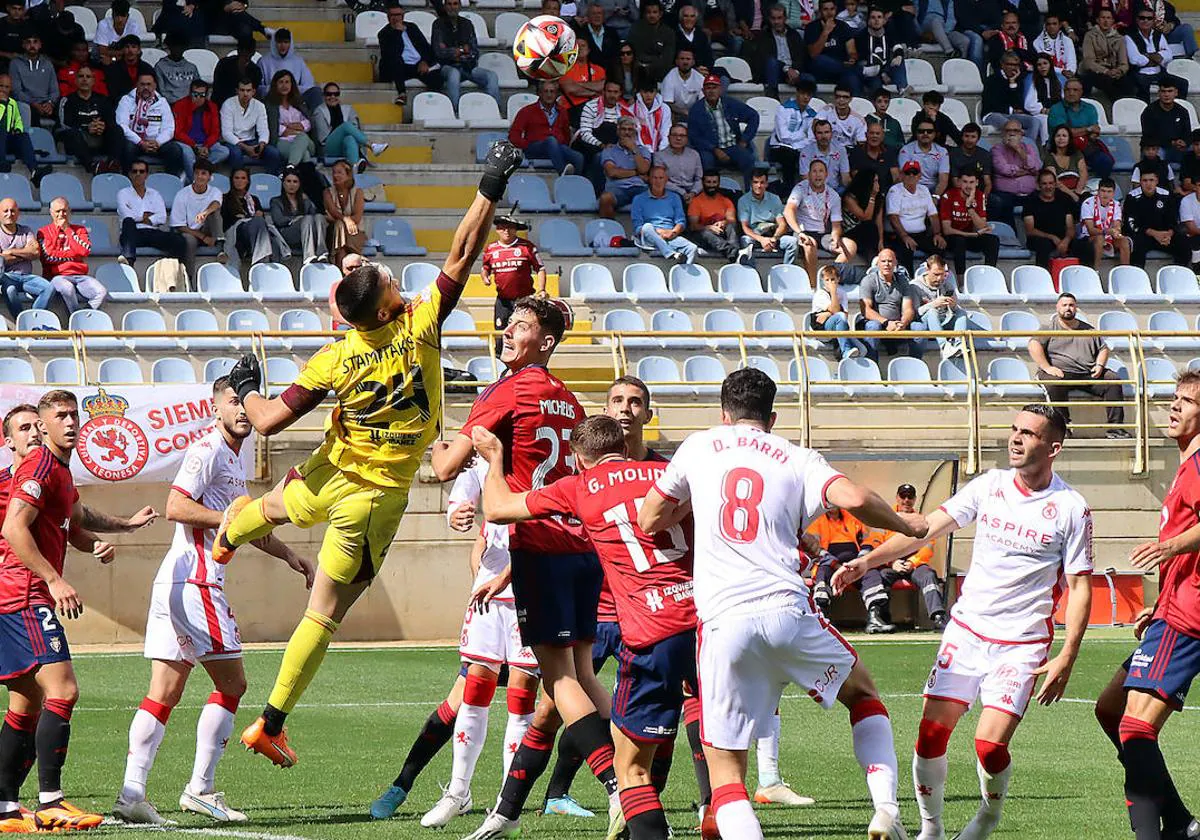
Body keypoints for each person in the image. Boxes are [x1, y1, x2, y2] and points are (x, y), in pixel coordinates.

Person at [208, 142, 524, 772]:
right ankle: (270, 724)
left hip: (328, 469)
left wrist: (244, 383)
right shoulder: (420, 323)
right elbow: (462, 251)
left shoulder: (337, 354)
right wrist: (489, 182)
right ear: (386, 306)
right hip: (373, 497)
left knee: (269, 506)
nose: (395, 277)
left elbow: (266, 419)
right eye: (387, 279)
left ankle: (225, 540)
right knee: (326, 610)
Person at [638, 366, 925, 840]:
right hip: (786, 610)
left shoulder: (698, 445)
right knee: (863, 695)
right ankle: (886, 809)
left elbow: (650, 518)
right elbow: (854, 497)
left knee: (727, 774)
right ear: (772, 417)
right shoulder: (797, 456)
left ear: (723, 412)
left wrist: (692, 502)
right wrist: (907, 526)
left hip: (722, 621)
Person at [834, 403, 1093, 840]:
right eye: (1014, 430)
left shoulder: (1071, 507)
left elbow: (1080, 586)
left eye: (1028, 434)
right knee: (930, 734)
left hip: (1022, 642)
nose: (1015, 438)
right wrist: (867, 561)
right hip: (968, 631)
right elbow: (926, 528)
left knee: (989, 746)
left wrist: (1068, 653)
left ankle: (987, 819)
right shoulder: (989, 486)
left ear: (1054, 448)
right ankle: (930, 830)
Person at [433, 299, 623, 840]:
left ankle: (622, 791)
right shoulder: (567, 397)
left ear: (545, 341)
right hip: (582, 548)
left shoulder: (507, 389)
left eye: (521, 325)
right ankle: (514, 810)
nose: (507, 330)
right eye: (508, 321)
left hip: (540, 547)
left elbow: (446, 466)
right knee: (582, 675)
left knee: (559, 678)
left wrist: (436, 441)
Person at [113, 379, 312, 826]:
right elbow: (176, 506)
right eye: (233, 401)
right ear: (216, 405)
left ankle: (132, 795)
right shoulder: (207, 450)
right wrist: (228, 519)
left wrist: (291, 556)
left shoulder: (232, 458)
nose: (243, 410)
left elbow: (245, 526)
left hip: (174, 583)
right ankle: (200, 789)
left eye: (247, 402)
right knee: (233, 685)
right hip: (196, 583)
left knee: (163, 693)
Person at [0, 393, 158, 832]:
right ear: (44, 427)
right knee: (63, 690)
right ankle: (51, 801)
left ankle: (6, 810)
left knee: (27, 701)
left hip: (22, 595)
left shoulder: (62, 472)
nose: (68, 422)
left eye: (74, 415)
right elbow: (13, 527)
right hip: (23, 594)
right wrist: (54, 579)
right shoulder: (38, 467)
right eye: (58, 417)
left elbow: (73, 522)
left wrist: (121, 527)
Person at [1097, 371, 1200, 840]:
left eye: (1188, 401)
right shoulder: (1186, 465)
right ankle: (1179, 821)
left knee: (1135, 730)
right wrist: (1156, 604)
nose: (1175, 407)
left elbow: (1186, 543)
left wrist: (1170, 546)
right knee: (1110, 708)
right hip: (1172, 610)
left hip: (1187, 617)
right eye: (1174, 398)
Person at [1028, 292, 1130, 438]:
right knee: (1053, 383)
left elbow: (1103, 348)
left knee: (1112, 380)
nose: (1068, 308)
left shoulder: (1088, 330)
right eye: (1064, 305)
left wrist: (1100, 365)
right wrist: (1047, 367)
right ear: (1057, 307)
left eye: (1071, 305)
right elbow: (1033, 344)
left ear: (1076, 308)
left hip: (1086, 372)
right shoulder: (1049, 327)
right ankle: (1062, 429)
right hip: (1060, 372)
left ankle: (1115, 429)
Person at [858, 483, 947, 632]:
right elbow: (876, 544)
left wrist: (913, 562)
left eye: (910, 497)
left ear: (915, 499)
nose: (906, 500)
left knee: (929, 575)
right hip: (892, 564)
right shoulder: (884, 518)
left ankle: (938, 617)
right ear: (897, 498)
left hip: (915, 564)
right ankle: (881, 619)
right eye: (903, 496)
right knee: (879, 577)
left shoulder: (921, 520)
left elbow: (928, 547)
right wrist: (891, 562)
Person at [481, 213, 547, 353]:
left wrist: (541, 289)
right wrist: (485, 276)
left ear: (516, 229)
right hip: (503, 301)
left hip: (524, 300)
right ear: (497, 230)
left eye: (510, 228)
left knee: (525, 332)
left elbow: (540, 268)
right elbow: (485, 267)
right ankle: (500, 364)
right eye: (503, 228)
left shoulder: (527, 247)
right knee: (501, 333)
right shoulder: (491, 249)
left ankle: (527, 360)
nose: (506, 231)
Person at [786, 159, 856, 279]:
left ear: (826, 174)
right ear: (808, 174)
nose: (818, 175)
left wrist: (835, 237)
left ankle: (830, 276)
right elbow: (788, 211)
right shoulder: (800, 188)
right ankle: (812, 286)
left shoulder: (833, 195)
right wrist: (799, 232)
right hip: (802, 232)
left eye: (821, 171)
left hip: (822, 234)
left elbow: (836, 225)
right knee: (810, 244)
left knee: (850, 246)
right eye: (814, 171)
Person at [687, 74, 758, 188]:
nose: (711, 91)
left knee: (748, 159)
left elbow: (753, 116)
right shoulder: (696, 110)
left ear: (720, 89)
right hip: (710, 149)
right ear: (703, 90)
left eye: (714, 87)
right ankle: (709, 193)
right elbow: (694, 136)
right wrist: (714, 149)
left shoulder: (731, 103)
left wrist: (745, 140)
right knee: (706, 161)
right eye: (708, 88)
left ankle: (749, 194)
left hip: (733, 145)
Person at [37, 200, 106, 313]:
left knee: (101, 292)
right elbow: (48, 257)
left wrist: (67, 230)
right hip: (57, 276)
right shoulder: (43, 232)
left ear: (69, 211)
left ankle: (82, 315)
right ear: (51, 212)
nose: (61, 214)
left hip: (80, 275)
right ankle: (74, 317)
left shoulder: (80, 230)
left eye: (64, 211)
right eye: (57, 211)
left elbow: (84, 251)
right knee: (68, 288)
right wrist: (74, 255)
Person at [911, 253, 981, 360]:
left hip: (943, 320)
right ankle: (945, 347)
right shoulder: (915, 286)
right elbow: (915, 313)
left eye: (942, 274)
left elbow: (955, 310)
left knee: (961, 313)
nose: (939, 278)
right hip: (924, 322)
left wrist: (953, 305)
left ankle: (959, 345)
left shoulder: (947, 284)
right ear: (927, 270)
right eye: (935, 274)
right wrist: (933, 304)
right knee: (932, 312)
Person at [117, 160, 187, 267]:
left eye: (141, 171)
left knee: (179, 240)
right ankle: (129, 262)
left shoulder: (155, 194)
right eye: (135, 171)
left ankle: (173, 270)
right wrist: (143, 217)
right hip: (133, 234)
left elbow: (162, 217)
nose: (138, 174)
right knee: (128, 222)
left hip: (152, 232)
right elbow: (127, 215)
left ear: (146, 175)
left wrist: (146, 219)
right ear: (130, 174)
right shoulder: (122, 193)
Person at [56, 66, 123, 175]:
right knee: (72, 134)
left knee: (117, 130)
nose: (84, 79)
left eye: (88, 77)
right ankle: (92, 166)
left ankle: (113, 163)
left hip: (100, 138)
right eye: (81, 76)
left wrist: (102, 127)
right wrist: (86, 128)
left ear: (93, 81)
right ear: (75, 80)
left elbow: (111, 121)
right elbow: (63, 126)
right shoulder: (67, 100)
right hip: (80, 141)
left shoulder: (103, 100)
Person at [432, 0, 499, 109]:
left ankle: (495, 110)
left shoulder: (467, 24)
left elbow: (474, 50)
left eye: (455, 4)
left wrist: (455, 51)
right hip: (447, 67)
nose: (452, 7)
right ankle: (455, 111)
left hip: (467, 66)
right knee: (454, 74)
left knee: (492, 76)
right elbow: (439, 52)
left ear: (460, 6)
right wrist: (462, 50)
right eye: (449, 4)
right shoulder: (438, 24)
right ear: (444, 6)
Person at [859, 248, 923, 361]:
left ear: (895, 263)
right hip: (879, 324)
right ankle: (872, 367)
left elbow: (908, 309)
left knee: (919, 328)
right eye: (883, 261)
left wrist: (903, 323)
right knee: (872, 326)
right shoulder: (868, 280)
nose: (887, 264)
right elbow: (866, 310)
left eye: (890, 261)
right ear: (878, 263)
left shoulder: (902, 281)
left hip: (899, 324)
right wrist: (886, 322)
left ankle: (916, 364)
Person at [116, 72, 184, 176]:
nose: (145, 87)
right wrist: (140, 142)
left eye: (149, 84)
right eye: (142, 84)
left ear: (155, 86)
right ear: (136, 85)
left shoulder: (162, 102)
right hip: (135, 142)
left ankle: (171, 181)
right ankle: (127, 180)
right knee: (127, 148)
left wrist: (158, 142)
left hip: (156, 143)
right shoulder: (126, 100)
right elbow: (122, 126)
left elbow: (169, 128)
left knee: (175, 150)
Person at [510, 80, 583, 177]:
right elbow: (513, 135)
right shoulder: (527, 111)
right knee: (551, 140)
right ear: (539, 93)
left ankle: (575, 184)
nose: (549, 95)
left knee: (579, 157)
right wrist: (526, 145)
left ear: (556, 94)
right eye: (546, 91)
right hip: (535, 148)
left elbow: (566, 134)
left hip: (556, 148)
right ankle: (563, 175)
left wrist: (561, 144)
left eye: (552, 91)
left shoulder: (562, 111)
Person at [170, 159, 226, 287]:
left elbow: (216, 203)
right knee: (189, 240)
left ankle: (221, 248)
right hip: (189, 231)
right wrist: (203, 237)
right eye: (197, 173)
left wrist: (205, 212)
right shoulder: (182, 194)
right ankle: (188, 278)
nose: (200, 176)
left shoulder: (215, 191)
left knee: (214, 212)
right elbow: (179, 226)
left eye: (204, 173)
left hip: (208, 228)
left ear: (209, 177)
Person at [222, 167, 288, 271]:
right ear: (232, 180)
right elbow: (226, 222)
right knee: (258, 221)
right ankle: (261, 262)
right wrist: (249, 218)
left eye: (243, 178)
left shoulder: (254, 199)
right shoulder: (225, 198)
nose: (240, 181)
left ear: (247, 181)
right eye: (237, 178)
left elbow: (261, 221)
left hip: (255, 234)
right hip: (237, 235)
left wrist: (256, 216)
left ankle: (274, 273)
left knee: (273, 240)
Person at [631, 164, 698, 264]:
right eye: (655, 178)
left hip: (670, 235)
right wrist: (659, 232)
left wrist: (673, 233)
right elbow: (638, 227)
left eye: (661, 178)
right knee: (647, 227)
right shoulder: (639, 199)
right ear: (649, 179)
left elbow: (681, 221)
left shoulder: (674, 197)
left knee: (692, 248)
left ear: (666, 180)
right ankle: (671, 254)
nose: (658, 181)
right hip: (650, 236)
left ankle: (684, 275)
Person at [886, 161, 945, 274]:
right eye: (908, 173)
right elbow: (893, 217)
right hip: (900, 235)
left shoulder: (924, 190)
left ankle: (936, 278)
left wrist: (937, 234)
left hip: (921, 234)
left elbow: (933, 215)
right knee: (905, 251)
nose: (911, 176)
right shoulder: (895, 191)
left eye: (915, 172)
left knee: (940, 247)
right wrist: (905, 236)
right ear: (902, 175)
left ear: (919, 176)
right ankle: (909, 283)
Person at [1046, 77, 1113, 177]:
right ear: (1064, 91)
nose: (1071, 93)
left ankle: (1100, 188)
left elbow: (1095, 131)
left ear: (1081, 92)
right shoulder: (1056, 109)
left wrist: (1090, 132)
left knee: (1105, 161)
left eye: (1075, 90)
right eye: (1068, 90)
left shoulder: (1090, 108)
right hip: (1062, 147)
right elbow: (1064, 133)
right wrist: (1087, 129)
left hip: (1086, 145)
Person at [377, 5, 441, 107]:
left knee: (436, 77)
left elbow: (426, 47)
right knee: (396, 61)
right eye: (392, 15)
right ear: (388, 17)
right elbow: (392, 53)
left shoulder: (412, 28)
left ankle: (431, 105)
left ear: (402, 16)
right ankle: (402, 93)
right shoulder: (384, 33)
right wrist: (397, 32)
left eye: (398, 15)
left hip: (417, 65)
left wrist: (424, 61)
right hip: (398, 67)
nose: (395, 18)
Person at [312, 84, 387, 172]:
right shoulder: (319, 111)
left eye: (336, 94)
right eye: (329, 94)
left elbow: (355, 128)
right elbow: (323, 137)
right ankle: (372, 146)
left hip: (345, 145)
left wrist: (345, 133)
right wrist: (342, 131)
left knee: (350, 138)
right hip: (328, 147)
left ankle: (354, 166)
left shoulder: (348, 109)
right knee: (346, 126)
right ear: (324, 96)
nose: (332, 97)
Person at [938, 169, 999, 276]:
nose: (968, 186)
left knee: (993, 241)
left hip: (971, 236)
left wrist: (969, 208)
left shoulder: (980, 196)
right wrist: (973, 234)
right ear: (959, 182)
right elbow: (947, 230)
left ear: (977, 183)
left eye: (971, 182)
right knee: (959, 241)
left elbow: (981, 226)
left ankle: (989, 276)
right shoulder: (948, 196)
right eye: (965, 182)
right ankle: (961, 283)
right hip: (952, 238)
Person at [0, 199, 52, 318]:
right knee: (10, 291)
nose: (9, 214)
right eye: (5, 211)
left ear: (18, 213)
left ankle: (33, 318)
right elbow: (1, 260)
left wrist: (11, 252)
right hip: (7, 277)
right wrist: (25, 254)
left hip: (27, 277)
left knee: (49, 287)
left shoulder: (26, 230)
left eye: (13, 211)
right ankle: (22, 322)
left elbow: (35, 252)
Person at [1124, 169, 1187, 267]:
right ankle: (1138, 278)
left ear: (1157, 181)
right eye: (1145, 180)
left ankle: (1179, 274)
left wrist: (1169, 233)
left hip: (1164, 236)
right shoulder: (1132, 197)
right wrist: (1153, 233)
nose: (1148, 183)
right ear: (1140, 182)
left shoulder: (1166, 195)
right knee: (1136, 245)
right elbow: (1131, 223)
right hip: (1144, 235)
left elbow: (1173, 219)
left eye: (1151, 180)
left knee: (1183, 243)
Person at [688, 170, 754, 263]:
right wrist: (709, 227)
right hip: (703, 236)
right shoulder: (696, 202)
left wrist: (724, 222)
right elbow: (693, 226)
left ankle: (733, 255)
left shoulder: (725, 201)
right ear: (703, 183)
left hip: (721, 234)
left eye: (714, 182)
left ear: (718, 183)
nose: (711, 185)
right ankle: (735, 253)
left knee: (731, 226)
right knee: (705, 233)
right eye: (708, 182)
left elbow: (732, 220)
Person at [982, 51, 1045, 146]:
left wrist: (1012, 83)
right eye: (1010, 64)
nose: (1014, 68)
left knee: (1034, 122)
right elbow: (992, 104)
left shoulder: (1018, 80)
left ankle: (1028, 149)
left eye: (1016, 65)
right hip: (992, 114)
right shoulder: (992, 79)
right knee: (1012, 125)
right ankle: (1020, 149)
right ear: (1002, 65)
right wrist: (1012, 110)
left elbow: (1018, 103)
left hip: (1010, 114)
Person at [220, 78, 281, 175]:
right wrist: (246, 148)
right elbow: (226, 134)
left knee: (274, 153)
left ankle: (270, 181)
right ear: (237, 91)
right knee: (236, 154)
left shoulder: (259, 106)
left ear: (253, 92)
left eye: (248, 90)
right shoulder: (228, 104)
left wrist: (261, 145)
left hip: (252, 140)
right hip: (233, 141)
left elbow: (264, 129)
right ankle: (239, 183)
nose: (245, 94)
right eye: (242, 90)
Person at [171, 79, 229, 180]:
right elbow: (178, 133)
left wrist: (206, 146)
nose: (198, 98)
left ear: (206, 95)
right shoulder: (180, 105)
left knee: (224, 151)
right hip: (187, 143)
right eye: (195, 94)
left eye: (202, 95)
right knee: (187, 153)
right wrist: (194, 146)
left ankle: (199, 168)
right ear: (190, 93)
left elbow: (215, 132)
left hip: (205, 143)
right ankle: (194, 180)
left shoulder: (212, 107)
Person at [809, 263, 867, 360]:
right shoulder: (820, 294)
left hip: (838, 325)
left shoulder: (843, 294)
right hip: (821, 328)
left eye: (832, 279)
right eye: (827, 280)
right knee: (839, 316)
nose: (830, 283)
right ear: (823, 281)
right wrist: (833, 293)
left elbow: (845, 315)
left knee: (863, 349)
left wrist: (827, 313)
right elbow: (836, 311)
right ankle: (845, 350)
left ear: (838, 279)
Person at [1023, 169, 1081, 268]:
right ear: (1039, 186)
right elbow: (1030, 230)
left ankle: (1088, 276)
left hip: (1063, 238)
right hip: (1040, 238)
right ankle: (1043, 278)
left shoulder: (1064, 199)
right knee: (1044, 245)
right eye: (1044, 184)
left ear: (1055, 184)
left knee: (1083, 246)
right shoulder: (1030, 201)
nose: (1048, 187)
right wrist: (1052, 237)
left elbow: (1070, 227)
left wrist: (1066, 240)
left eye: (1051, 183)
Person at [738, 169, 798, 265]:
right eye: (756, 182)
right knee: (745, 241)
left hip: (773, 235)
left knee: (792, 242)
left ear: (766, 184)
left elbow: (782, 224)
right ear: (751, 183)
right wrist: (761, 240)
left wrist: (774, 239)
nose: (759, 186)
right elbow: (745, 227)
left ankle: (787, 271)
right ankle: (752, 274)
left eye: (762, 182)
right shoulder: (743, 201)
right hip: (755, 236)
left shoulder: (774, 199)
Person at [1126, 7, 1188, 98]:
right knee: (1141, 86)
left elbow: (1169, 55)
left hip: (1159, 72)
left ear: (1153, 21)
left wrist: (1147, 55)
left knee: (1182, 83)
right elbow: (1135, 60)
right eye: (1142, 18)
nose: (1145, 21)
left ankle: (1176, 110)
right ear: (1137, 20)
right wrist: (1157, 58)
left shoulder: (1158, 35)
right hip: (1140, 74)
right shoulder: (1129, 36)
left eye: (1149, 18)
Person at [989, 119, 1040, 229]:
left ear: (1021, 134)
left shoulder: (1029, 148)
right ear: (1003, 133)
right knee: (1002, 204)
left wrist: (1018, 149)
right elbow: (1004, 169)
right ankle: (1011, 238)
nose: (1011, 134)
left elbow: (1036, 167)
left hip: (1029, 192)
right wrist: (1027, 171)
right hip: (1006, 193)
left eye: (1015, 131)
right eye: (1008, 131)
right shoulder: (997, 149)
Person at [575, 79, 624, 190]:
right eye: (609, 91)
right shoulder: (591, 106)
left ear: (620, 94)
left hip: (614, 148)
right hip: (591, 147)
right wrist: (602, 146)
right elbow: (585, 133)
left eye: (615, 92)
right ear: (603, 92)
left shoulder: (623, 109)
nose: (612, 95)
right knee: (599, 157)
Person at [269, 169, 326, 265]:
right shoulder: (276, 201)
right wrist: (296, 219)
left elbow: (314, 217)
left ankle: (322, 253)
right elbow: (278, 220)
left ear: (299, 184)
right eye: (288, 181)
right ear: (283, 183)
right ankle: (309, 256)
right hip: (286, 233)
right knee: (307, 219)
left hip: (306, 232)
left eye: (295, 182)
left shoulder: (305, 202)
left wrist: (308, 203)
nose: (292, 184)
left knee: (319, 217)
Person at [769, 78, 817, 188]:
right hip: (779, 147)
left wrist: (798, 143)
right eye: (803, 93)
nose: (805, 97)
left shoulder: (812, 114)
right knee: (790, 156)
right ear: (797, 93)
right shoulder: (783, 109)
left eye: (809, 95)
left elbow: (811, 138)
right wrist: (802, 135)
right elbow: (783, 137)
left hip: (801, 148)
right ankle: (788, 189)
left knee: (810, 155)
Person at [0, 75, 49, 185]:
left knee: (23, 135)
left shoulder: (12, 103)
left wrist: (17, 130)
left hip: (7, 140)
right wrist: (2, 104)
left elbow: (18, 120)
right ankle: (1, 164)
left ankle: (35, 172)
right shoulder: (4, 102)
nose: (3, 89)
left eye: (6, 87)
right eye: (1, 86)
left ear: (10, 89)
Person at [598, 117, 652, 217]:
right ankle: (611, 230)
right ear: (618, 132)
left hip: (639, 187)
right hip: (617, 188)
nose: (627, 132)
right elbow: (612, 172)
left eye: (630, 129)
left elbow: (644, 169)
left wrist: (633, 149)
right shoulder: (609, 150)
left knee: (655, 198)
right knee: (605, 198)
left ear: (635, 132)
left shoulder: (643, 150)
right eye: (623, 129)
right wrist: (636, 173)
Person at [803, 0, 861, 91]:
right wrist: (825, 32)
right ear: (820, 11)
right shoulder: (812, 27)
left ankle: (857, 103)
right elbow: (813, 54)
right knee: (820, 59)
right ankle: (859, 70)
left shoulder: (843, 26)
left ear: (836, 10)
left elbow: (852, 51)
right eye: (825, 9)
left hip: (839, 71)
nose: (829, 13)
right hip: (819, 70)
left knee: (851, 78)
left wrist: (852, 59)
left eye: (832, 9)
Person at [257, 30, 320, 110]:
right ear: (274, 43)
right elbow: (258, 88)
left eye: (286, 42)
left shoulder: (298, 61)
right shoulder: (263, 61)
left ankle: (315, 120)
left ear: (290, 43)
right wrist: (276, 88)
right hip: (272, 98)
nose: (283, 45)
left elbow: (309, 85)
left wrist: (291, 89)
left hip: (294, 98)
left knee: (316, 92)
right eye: (279, 42)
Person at [1080, 8, 1134, 103]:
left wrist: (1119, 71)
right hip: (1095, 71)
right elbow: (1088, 61)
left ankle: (1127, 108)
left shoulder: (1119, 38)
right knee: (1106, 82)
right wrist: (1105, 71)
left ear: (1113, 21)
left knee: (1128, 83)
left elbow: (1124, 63)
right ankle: (1116, 104)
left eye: (1109, 18)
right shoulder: (1090, 35)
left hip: (1113, 71)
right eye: (1103, 17)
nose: (1106, 21)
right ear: (1097, 20)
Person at [265, 70, 314, 168]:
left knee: (303, 137)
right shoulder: (269, 105)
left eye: (287, 82)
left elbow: (309, 122)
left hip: (305, 141)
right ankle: (293, 169)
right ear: (275, 85)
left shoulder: (299, 103)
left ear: (292, 85)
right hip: (282, 141)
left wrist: (294, 127)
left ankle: (290, 168)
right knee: (304, 155)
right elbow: (272, 126)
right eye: (281, 82)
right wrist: (292, 130)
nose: (284, 85)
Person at [755, 4, 805, 97]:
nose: (776, 22)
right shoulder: (764, 36)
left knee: (809, 79)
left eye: (779, 18)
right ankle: (773, 98)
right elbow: (765, 58)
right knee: (772, 63)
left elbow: (801, 57)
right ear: (769, 19)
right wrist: (786, 70)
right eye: (773, 18)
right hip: (775, 72)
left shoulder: (794, 35)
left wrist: (795, 73)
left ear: (785, 18)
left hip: (794, 72)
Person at [323, 159, 366, 267]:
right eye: (334, 173)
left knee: (340, 226)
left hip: (354, 232)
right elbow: (332, 211)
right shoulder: (327, 192)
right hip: (333, 234)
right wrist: (346, 219)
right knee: (339, 225)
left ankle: (340, 268)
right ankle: (342, 268)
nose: (335, 176)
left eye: (339, 173)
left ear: (348, 175)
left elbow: (357, 217)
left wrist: (344, 221)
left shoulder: (358, 192)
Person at [10, 34, 58, 129]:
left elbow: (55, 90)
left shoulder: (47, 64)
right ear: (23, 45)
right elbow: (16, 91)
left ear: (40, 45)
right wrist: (34, 104)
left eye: (35, 42)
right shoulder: (16, 63)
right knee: (28, 111)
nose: (32, 45)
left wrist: (50, 103)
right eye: (28, 42)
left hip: (46, 103)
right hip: (27, 104)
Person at [855, 6, 907, 94]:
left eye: (879, 17)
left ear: (884, 20)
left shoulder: (889, 32)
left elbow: (897, 46)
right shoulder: (862, 36)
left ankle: (903, 89)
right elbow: (864, 61)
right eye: (873, 17)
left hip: (886, 69)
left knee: (899, 59)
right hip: (870, 72)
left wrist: (898, 56)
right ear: (868, 21)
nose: (876, 20)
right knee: (876, 85)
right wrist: (882, 73)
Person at [1141, 80, 1191, 166]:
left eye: (1170, 91)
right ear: (1159, 93)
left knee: (1195, 150)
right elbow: (1149, 136)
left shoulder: (1182, 111)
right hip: (1157, 146)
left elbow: (1187, 133)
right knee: (1157, 153)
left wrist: (1184, 142)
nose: (1166, 95)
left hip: (1177, 147)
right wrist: (1171, 143)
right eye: (1163, 91)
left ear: (1176, 93)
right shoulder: (1149, 112)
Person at [898, 118, 949, 197]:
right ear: (916, 133)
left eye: (929, 131)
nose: (925, 134)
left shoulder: (942, 151)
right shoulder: (906, 150)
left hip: (934, 191)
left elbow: (943, 180)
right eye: (921, 131)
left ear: (935, 134)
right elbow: (905, 177)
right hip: (912, 190)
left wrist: (935, 197)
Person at [842, 168, 885, 264]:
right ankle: (873, 260)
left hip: (868, 233)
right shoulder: (849, 197)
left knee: (872, 229)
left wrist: (881, 240)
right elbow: (866, 217)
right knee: (869, 226)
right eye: (874, 181)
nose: (877, 185)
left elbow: (879, 221)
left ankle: (876, 259)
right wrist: (872, 196)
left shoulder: (880, 198)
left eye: (877, 181)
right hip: (851, 232)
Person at [653, 123, 703, 204]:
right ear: (668, 138)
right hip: (672, 191)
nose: (678, 138)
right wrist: (682, 193)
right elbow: (661, 181)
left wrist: (693, 193)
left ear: (687, 139)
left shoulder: (694, 154)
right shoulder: (659, 156)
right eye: (674, 135)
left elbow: (699, 178)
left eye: (682, 135)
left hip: (693, 191)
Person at [798, 119, 851, 192]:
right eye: (820, 133)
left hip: (836, 190)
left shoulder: (840, 150)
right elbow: (806, 179)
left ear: (831, 133)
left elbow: (845, 178)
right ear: (815, 134)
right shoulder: (806, 152)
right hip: (814, 190)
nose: (823, 136)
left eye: (826, 132)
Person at [1042, 124, 1089, 207]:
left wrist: (1077, 193)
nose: (1061, 138)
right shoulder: (1049, 157)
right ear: (1053, 139)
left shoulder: (1077, 154)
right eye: (1058, 136)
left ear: (1069, 139)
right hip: (1061, 191)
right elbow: (1054, 181)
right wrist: (1072, 195)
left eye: (1064, 136)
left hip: (1078, 190)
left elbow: (1084, 175)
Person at [212, 38, 263, 106]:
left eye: (248, 52)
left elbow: (253, 93)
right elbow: (217, 89)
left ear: (253, 53)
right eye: (243, 52)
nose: (246, 56)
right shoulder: (224, 64)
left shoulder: (256, 71)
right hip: (223, 102)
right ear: (239, 51)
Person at [154, 33, 200, 106]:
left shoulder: (192, 67)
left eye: (181, 46)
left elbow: (198, 88)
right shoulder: (160, 67)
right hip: (169, 105)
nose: (178, 49)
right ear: (169, 46)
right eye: (174, 46)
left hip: (190, 105)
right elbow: (161, 91)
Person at [107, 36, 156, 104]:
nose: (130, 50)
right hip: (120, 104)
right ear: (123, 50)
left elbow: (153, 90)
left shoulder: (147, 69)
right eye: (127, 47)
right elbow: (113, 93)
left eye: (133, 47)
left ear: (139, 50)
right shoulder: (113, 69)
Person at [818, 85, 867, 153]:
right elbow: (815, 127)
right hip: (827, 150)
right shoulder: (826, 111)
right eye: (838, 97)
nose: (841, 100)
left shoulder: (858, 120)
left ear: (850, 99)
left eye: (845, 97)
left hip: (849, 152)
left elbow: (862, 143)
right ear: (834, 97)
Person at [949, 123, 993, 196]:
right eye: (966, 136)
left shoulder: (985, 155)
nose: (969, 140)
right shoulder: (953, 154)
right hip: (959, 193)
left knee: (997, 202)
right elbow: (955, 183)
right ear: (962, 137)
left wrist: (982, 199)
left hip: (979, 192)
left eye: (973, 137)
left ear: (978, 139)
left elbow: (987, 183)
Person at [661, 48, 703, 122]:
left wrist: (694, 113)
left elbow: (703, 101)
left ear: (693, 62)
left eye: (688, 59)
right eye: (682, 59)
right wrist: (684, 112)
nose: (685, 62)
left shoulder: (700, 78)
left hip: (695, 113)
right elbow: (667, 103)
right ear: (677, 61)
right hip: (675, 113)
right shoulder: (669, 78)